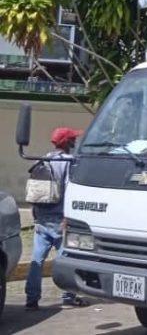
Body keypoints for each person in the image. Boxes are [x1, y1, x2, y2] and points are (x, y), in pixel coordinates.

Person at [26, 127, 88, 310]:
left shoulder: (42, 159)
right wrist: (69, 217)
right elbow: (70, 190)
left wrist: (36, 215)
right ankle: (68, 297)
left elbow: (34, 191)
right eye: (72, 139)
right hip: (61, 219)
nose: (75, 142)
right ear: (68, 143)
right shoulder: (69, 161)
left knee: (36, 260)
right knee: (67, 259)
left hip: (42, 219)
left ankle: (31, 300)